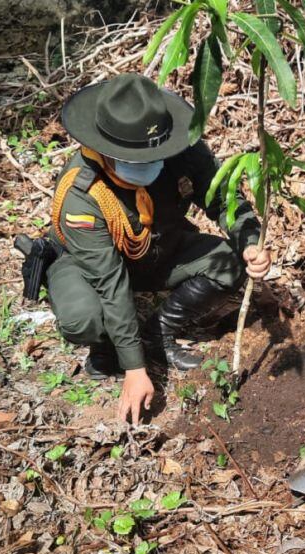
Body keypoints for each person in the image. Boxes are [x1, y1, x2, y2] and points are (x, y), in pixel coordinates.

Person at [46, 73, 271, 423]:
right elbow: (109, 282)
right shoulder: (82, 194)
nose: (149, 163)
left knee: (228, 264)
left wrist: (250, 241)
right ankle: (105, 345)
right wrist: (135, 369)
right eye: (134, 159)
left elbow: (223, 199)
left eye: (154, 155)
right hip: (90, 264)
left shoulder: (183, 151)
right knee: (83, 318)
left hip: (159, 246)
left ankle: (159, 331)